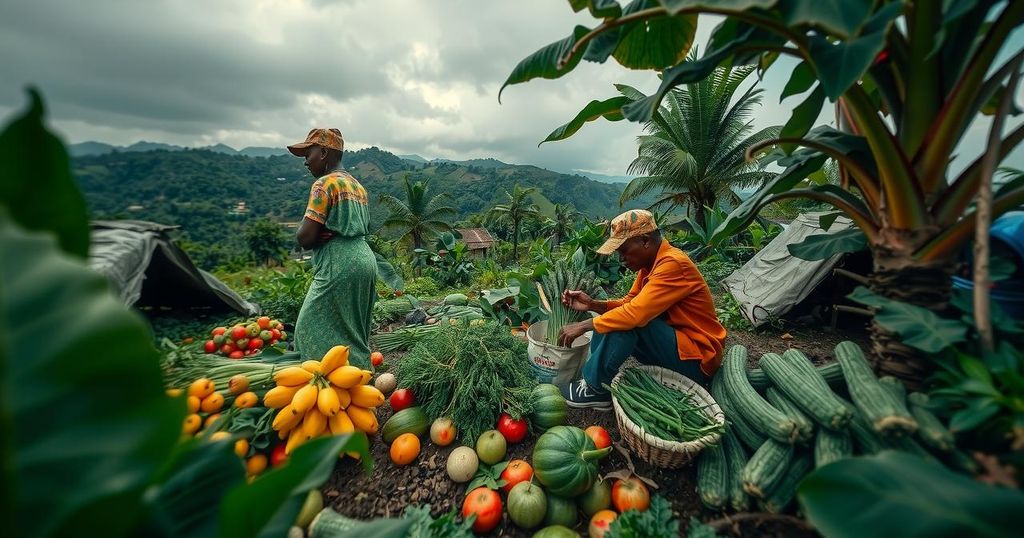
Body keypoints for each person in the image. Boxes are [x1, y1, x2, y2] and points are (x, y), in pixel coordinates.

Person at [556, 209, 726, 409]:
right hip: (678, 350)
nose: (621, 259)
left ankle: (595, 389)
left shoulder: (673, 264)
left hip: (697, 361)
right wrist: (594, 305)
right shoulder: (649, 265)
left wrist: (584, 325)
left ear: (645, 241)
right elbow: (630, 303)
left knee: (630, 322)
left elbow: (635, 314)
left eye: (624, 251)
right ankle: (594, 378)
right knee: (618, 316)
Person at [287, 128, 377, 367]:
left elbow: (305, 237)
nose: (306, 161)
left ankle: (322, 386)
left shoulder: (324, 185)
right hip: (364, 259)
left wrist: (314, 234)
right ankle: (361, 382)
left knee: (307, 330)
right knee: (354, 333)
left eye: (309, 153)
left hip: (339, 263)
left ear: (324, 152)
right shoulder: (358, 186)